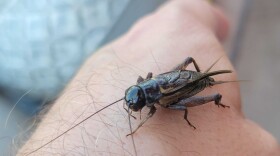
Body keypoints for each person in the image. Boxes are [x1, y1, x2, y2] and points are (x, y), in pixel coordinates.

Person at [18, 0, 279, 155]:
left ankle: (216, 99)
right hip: (175, 78)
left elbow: (161, 108)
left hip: (184, 87)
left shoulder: (159, 102)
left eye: (138, 102)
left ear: (145, 92)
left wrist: (138, 127)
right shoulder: (146, 85)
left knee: (181, 107)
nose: (135, 106)